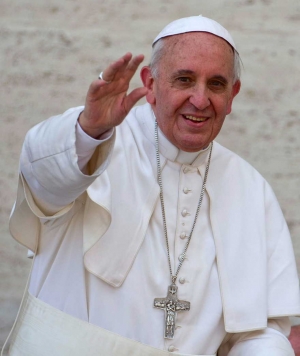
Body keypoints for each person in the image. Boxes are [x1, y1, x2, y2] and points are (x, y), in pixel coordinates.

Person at [5, 15, 300, 356]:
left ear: (232, 95)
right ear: (150, 83)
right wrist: (88, 131)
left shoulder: (251, 189)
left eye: (216, 84)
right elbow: (42, 178)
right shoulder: (90, 146)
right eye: (184, 80)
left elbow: (259, 332)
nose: (200, 100)